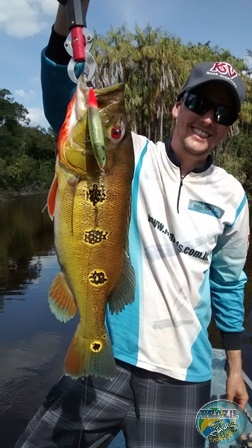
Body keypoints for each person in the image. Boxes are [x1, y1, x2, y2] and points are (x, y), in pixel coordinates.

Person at [15, 2, 250, 448]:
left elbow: (229, 285)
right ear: (179, 105)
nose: (207, 119)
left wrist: (235, 368)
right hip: (109, 355)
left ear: (227, 128)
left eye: (223, 114)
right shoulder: (131, 154)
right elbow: (59, 107)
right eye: (200, 103)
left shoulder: (233, 197)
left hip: (183, 375)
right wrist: (64, 24)